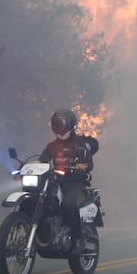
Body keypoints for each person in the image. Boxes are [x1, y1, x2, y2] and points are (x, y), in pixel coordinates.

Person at [40, 109, 99, 256]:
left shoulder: (81, 144)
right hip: (56, 183)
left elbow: (89, 163)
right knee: (42, 200)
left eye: (62, 124)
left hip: (76, 185)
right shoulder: (52, 146)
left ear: (71, 125)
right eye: (57, 124)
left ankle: (78, 239)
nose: (59, 127)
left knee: (68, 204)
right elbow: (42, 160)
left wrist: (83, 166)